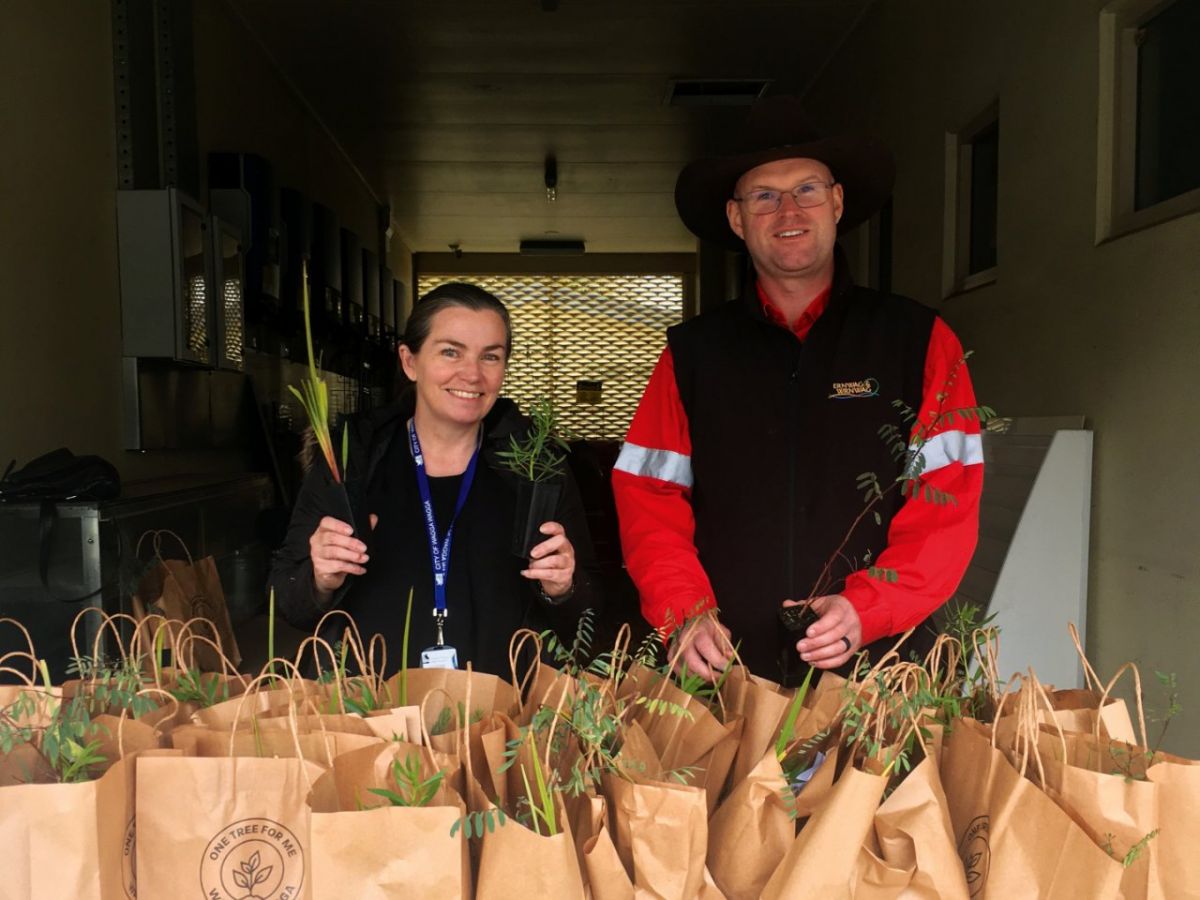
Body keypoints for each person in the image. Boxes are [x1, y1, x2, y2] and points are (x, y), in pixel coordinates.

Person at [613, 97, 983, 686]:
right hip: (724, 671)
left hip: (879, 667)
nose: (788, 210)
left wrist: (872, 608)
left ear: (836, 203)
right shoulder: (692, 354)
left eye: (807, 189)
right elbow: (647, 497)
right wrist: (683, 611)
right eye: (764, 195)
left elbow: (949, 503)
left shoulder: (918, 341)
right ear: (736, 219)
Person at [271, 282, 597, 676]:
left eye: (490, 357)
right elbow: (288, 601)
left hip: (505, 720)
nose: (472, 374)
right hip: (367, 719)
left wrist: (563, 587)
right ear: (410, 362)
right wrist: (320, 577)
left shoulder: (537, 468)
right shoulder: (351, 461)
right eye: (450, 352)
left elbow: (587, 612)